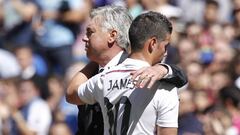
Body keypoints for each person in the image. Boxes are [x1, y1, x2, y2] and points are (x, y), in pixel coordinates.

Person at [66, 5, 187, 135]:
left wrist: (163, 69)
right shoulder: (97, 75)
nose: (84, 38)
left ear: (112, 35)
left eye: (90, 32)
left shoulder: (150, 73)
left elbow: (181, 77)